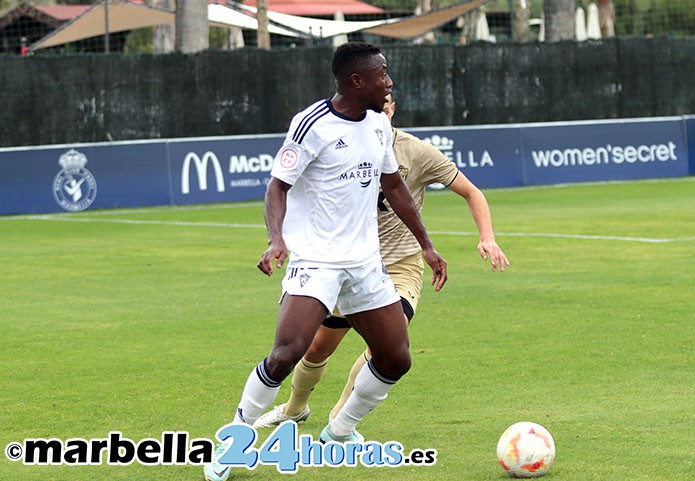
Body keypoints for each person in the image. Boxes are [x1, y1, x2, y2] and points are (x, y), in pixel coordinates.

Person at [204, 42, 447, 481]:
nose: (388, 82)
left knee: (396, 358)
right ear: (357, 81)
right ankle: (232, 442)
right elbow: (277, 187)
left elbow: (394, 188)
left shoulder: (377, 126)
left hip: (365, 263)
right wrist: (276, 240)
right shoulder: (311, 124)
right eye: (382, 74)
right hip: (316, 260)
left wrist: (427, 246)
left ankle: (340, 429)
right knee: (286, 353)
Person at [253, 94, 509, 432]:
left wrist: (487, 236)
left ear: (392, 109)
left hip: (399, 266)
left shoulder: (416, 151)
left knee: (387, 345)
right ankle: (295, 409)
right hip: (346, 266)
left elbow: (472, 191)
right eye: (377, 104)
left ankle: (339, 423)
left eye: (387, 104)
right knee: (315, 349)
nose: (381, 110)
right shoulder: (334, 139)